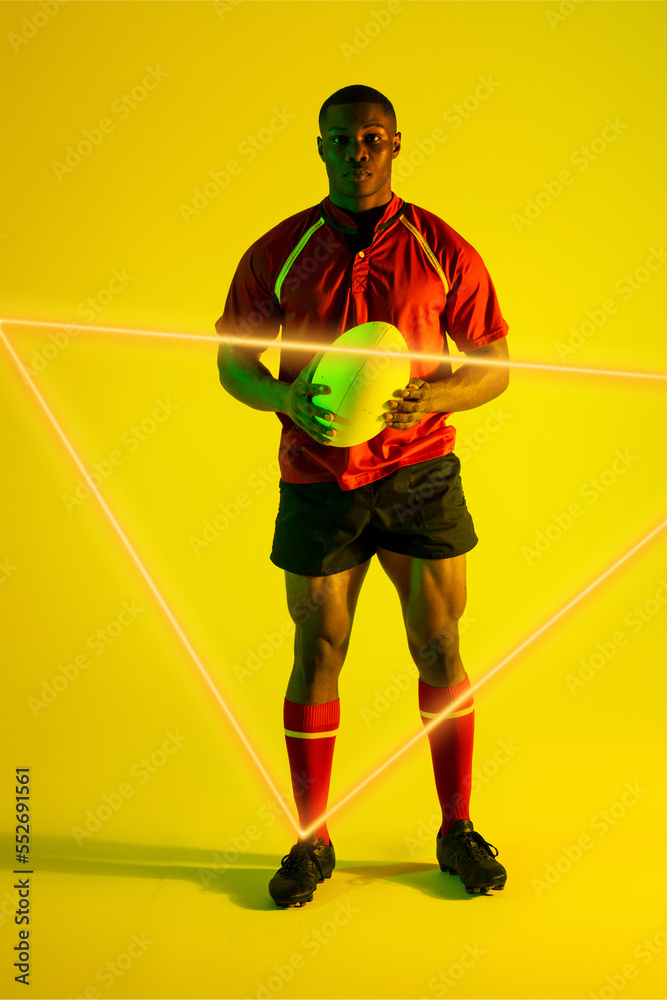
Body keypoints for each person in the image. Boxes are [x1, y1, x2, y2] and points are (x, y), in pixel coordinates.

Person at [215, 84, 510, 907]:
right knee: (318, 652)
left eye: (372, 137)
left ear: (396, 144)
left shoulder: (441, 246)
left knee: (440, 648)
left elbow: (493, 362)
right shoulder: (278, 251)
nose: (358, 151)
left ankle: (455, 830)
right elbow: (233, 364)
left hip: (419, 474)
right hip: (317, 482)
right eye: (341, 138)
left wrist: (437, 397)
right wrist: (281, 400)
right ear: (319, 147)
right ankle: (312, 841)